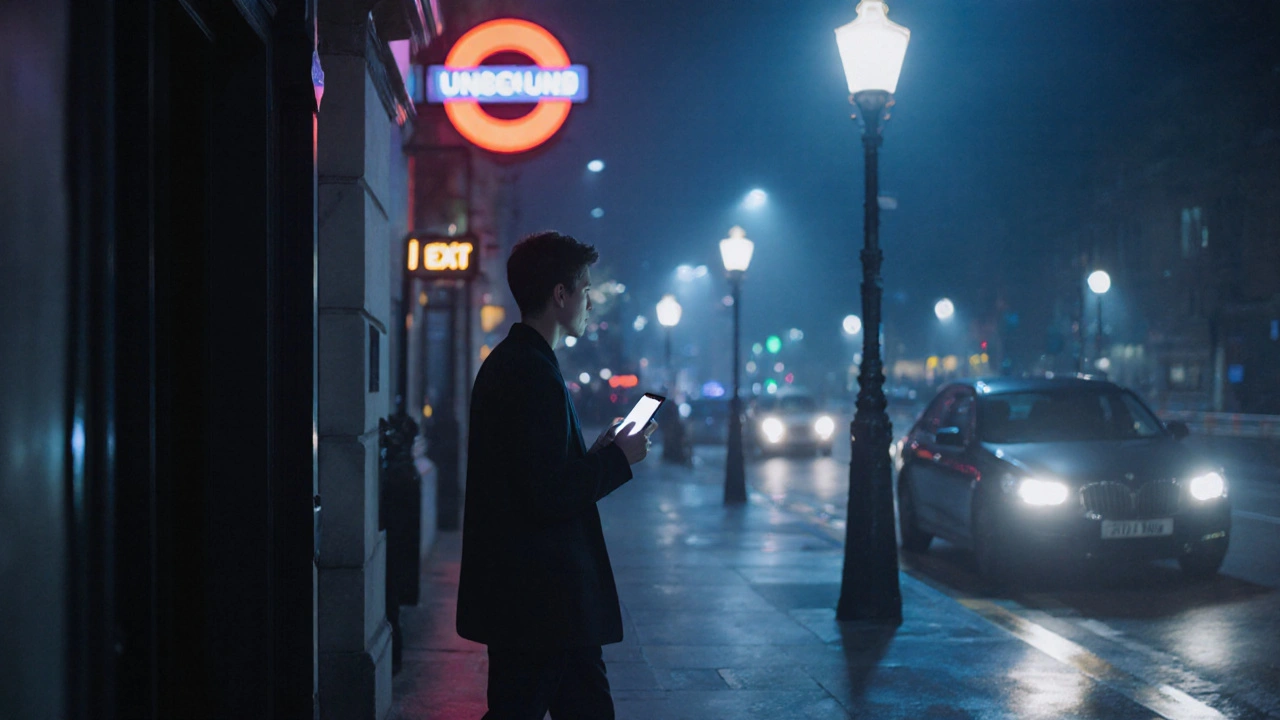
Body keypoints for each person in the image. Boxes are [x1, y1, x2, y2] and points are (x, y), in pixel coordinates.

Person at [457, 231, 655, 719]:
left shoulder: (519, 362)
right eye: (586, 290)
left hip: (537, 600)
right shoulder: (531, 373)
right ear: (560, 295)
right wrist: (617, 461)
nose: (591, 302)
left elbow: (536, 473)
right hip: (542, 601)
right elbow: (547, 495)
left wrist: (599, 452)